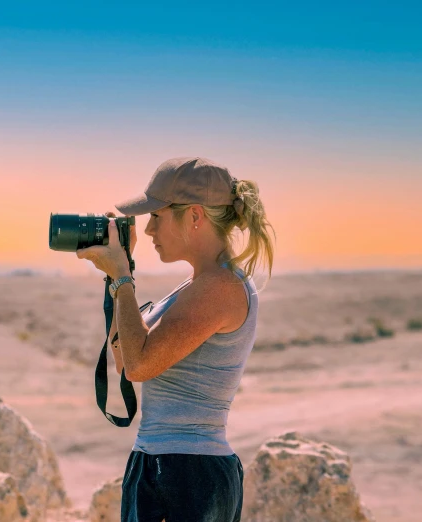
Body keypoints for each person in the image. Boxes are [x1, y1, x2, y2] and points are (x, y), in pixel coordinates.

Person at [76, 156, 275, 522]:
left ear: (195, 216)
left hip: (188, 474)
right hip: (164, 465)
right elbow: (125, 360)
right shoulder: (197, 286)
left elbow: (138, 366)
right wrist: (119, 275)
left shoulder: (219, 287)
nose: (148, 231)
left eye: (156, 216)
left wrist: (122, 276)